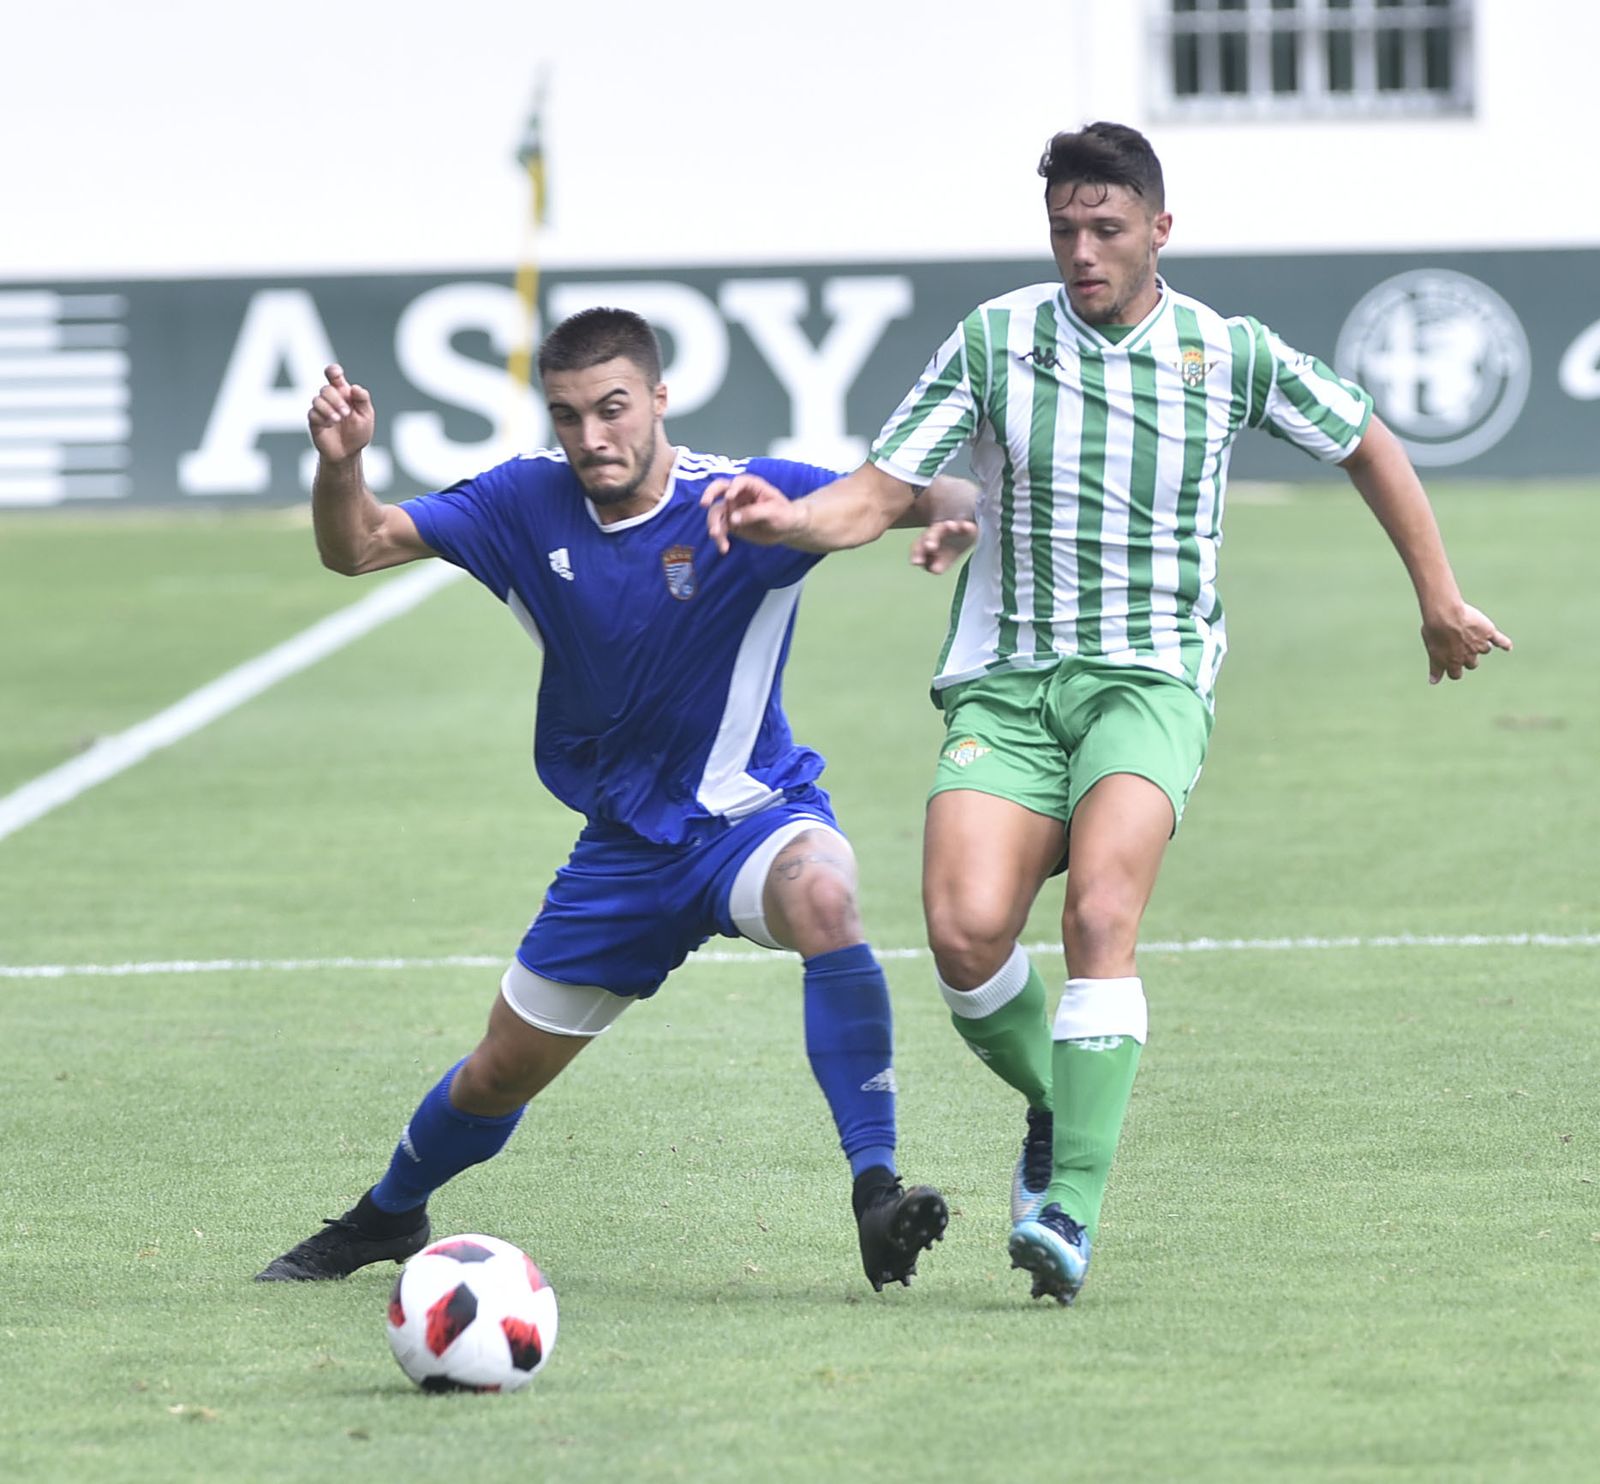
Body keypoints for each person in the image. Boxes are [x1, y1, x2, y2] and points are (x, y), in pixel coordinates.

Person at [703, 122, 1512, 1306]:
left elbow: (1364, 438)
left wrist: (1437, 596)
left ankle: (1067, 1206)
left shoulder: (1225, 351)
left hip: (1152, 681)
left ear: (1158, 230)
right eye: (1064, 229)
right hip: (1008, 686)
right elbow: (877, 491)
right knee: (965, 934)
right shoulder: (995, 339)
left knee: (1097, 914)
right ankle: (1058, 1094)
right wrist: (789, 518)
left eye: (1105, 228)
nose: (1081, 250)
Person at [257, 306, 972, 1293]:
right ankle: (389, 1212)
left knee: (825, 893)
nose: (592, 437)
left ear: (659, 399)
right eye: (567, 415)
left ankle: (876, 1192)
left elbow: (915, 490)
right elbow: (359, 545)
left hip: (752, 821)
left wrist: (953, 507)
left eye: (612, 409)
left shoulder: (742, 496)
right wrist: (341, 462)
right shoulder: (523, 505)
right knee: (498, 1071)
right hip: (624, 855)